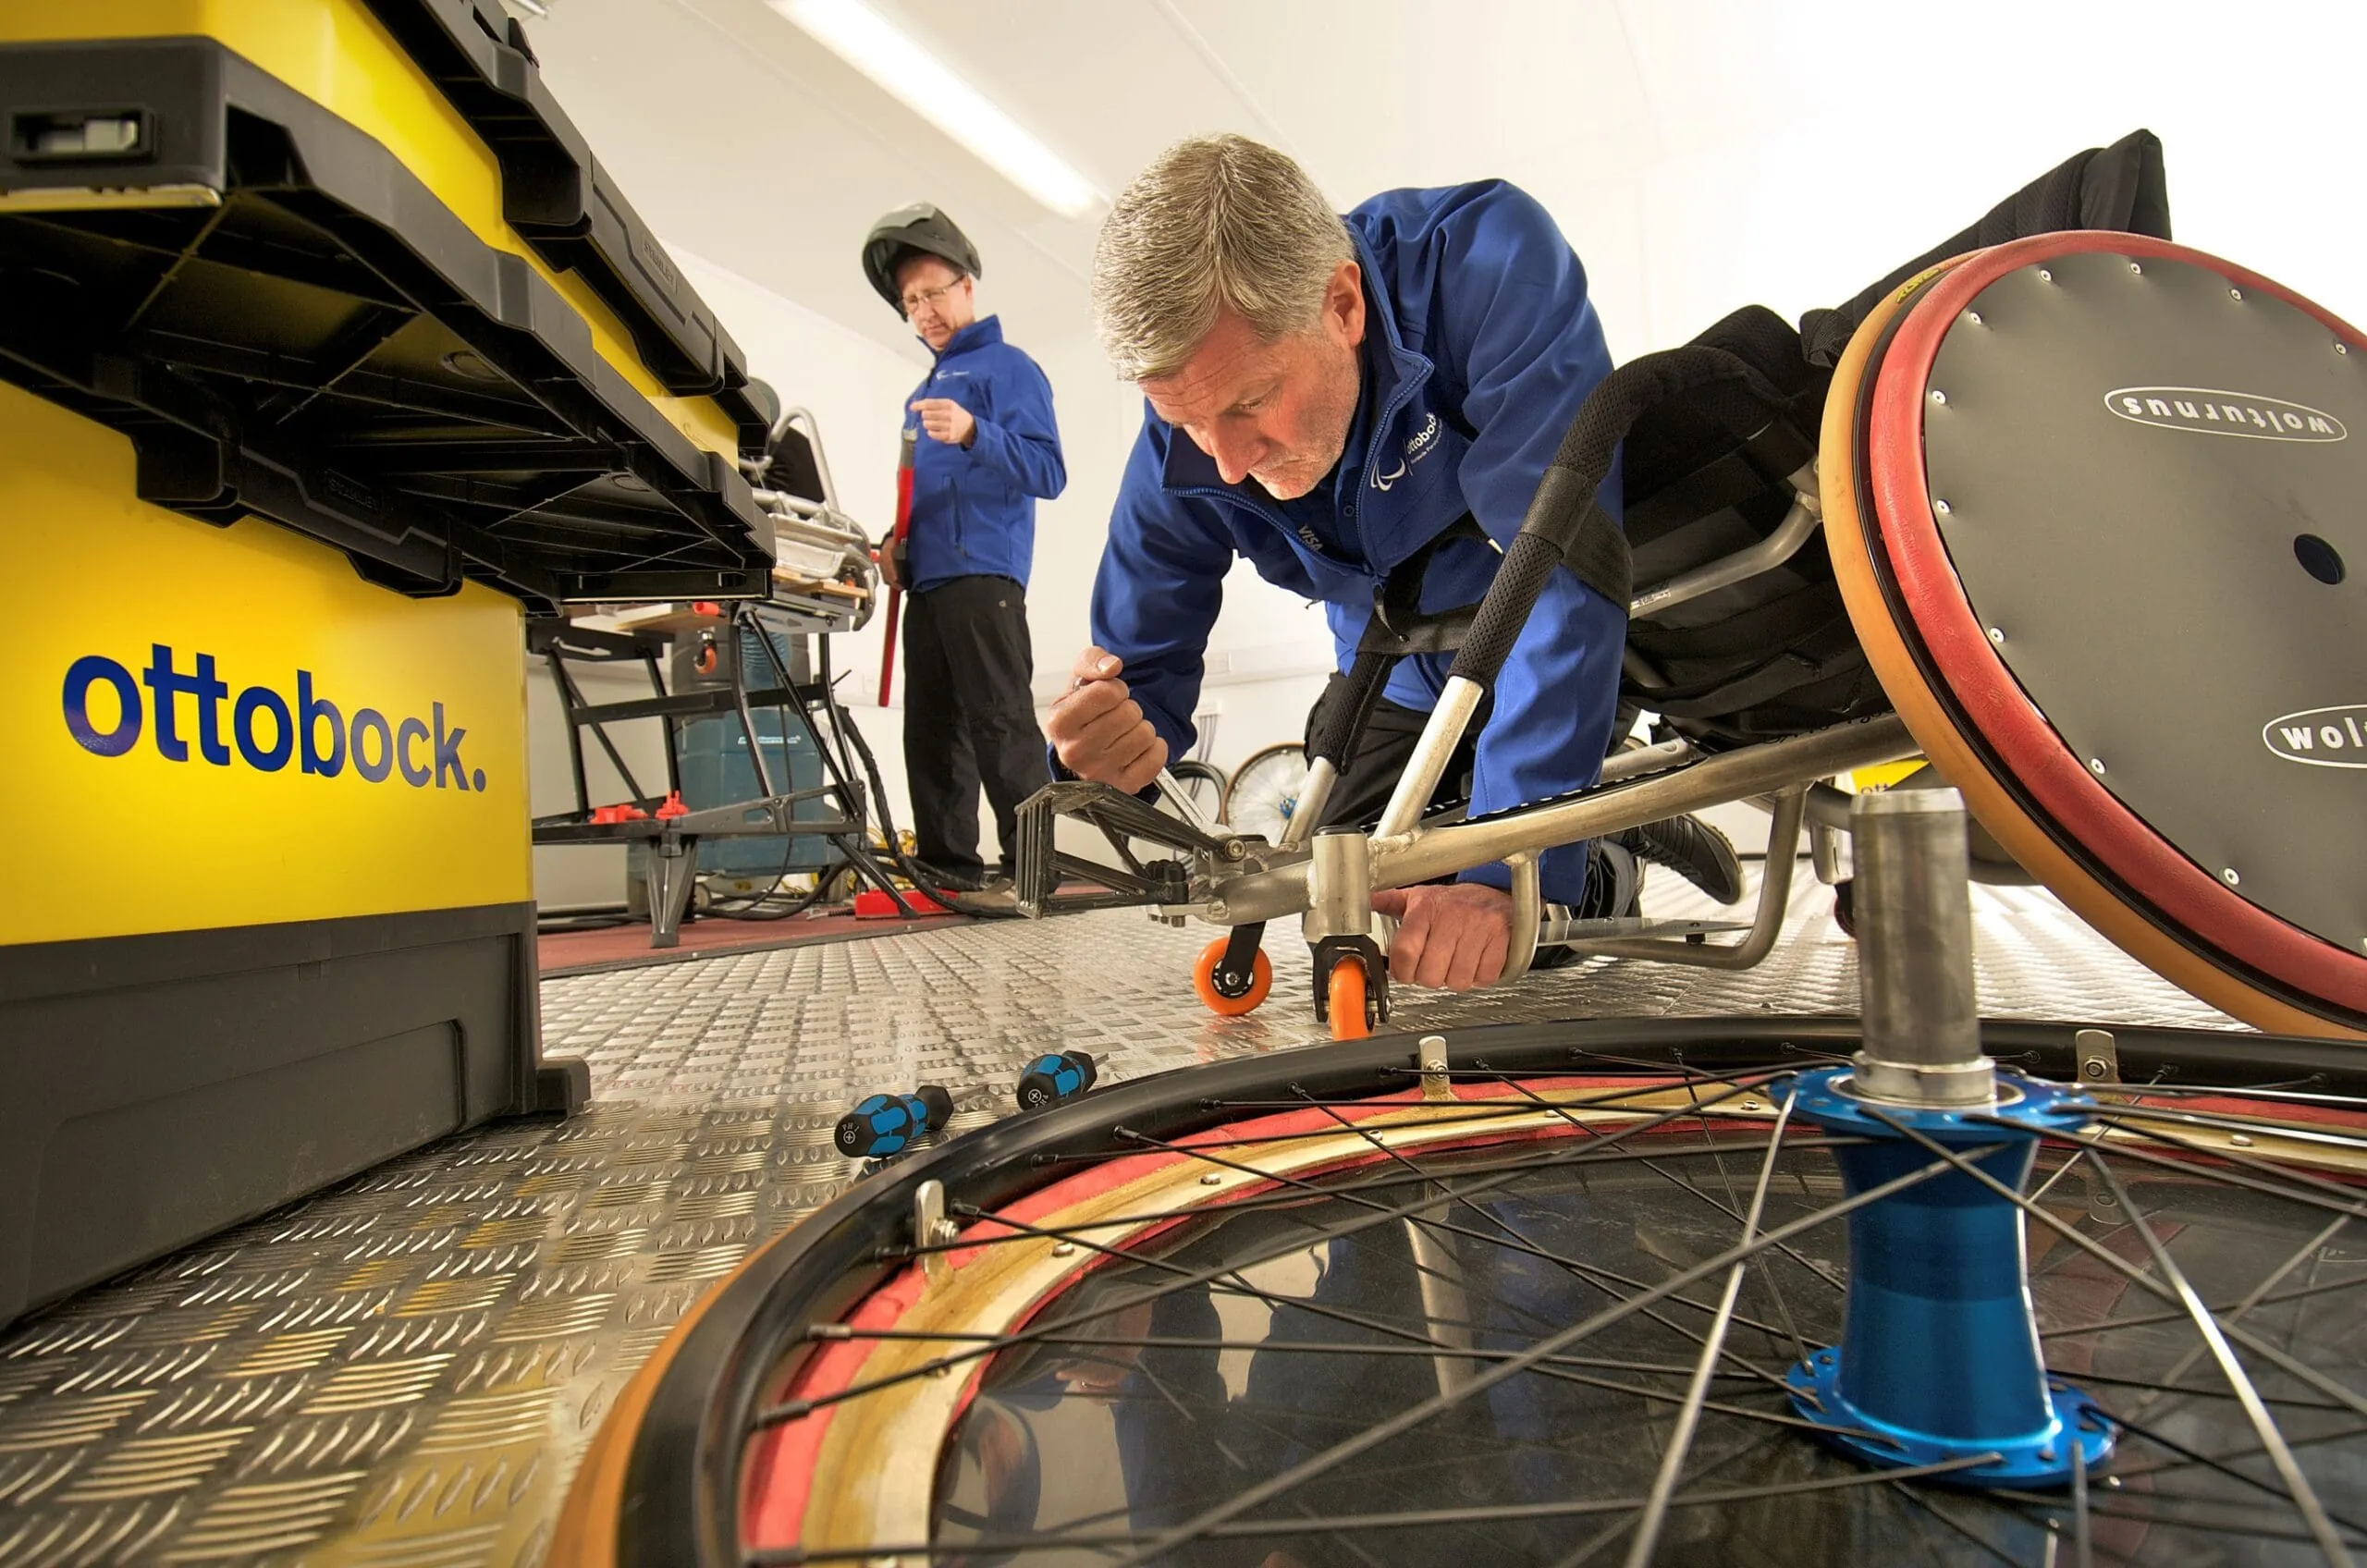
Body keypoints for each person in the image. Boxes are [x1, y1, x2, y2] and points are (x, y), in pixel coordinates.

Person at [1045, 136, 1741, 991]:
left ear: (1342, 306)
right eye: (1188, 423)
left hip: (1538, 648)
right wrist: (1107, 738)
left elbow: (1563, 570)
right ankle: (1578, 820)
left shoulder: (1486, 265)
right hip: (1393, 672)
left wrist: (1506, 870)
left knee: (1512, 923)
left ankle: (1613, 846)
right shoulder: (1192, 425)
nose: (1223, 462)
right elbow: (1137, 672)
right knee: (1349, 908)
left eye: (1252, 402)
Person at [861, 204, 1067, 891]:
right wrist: (896, 545)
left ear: (968, 286)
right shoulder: (921, 392)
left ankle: (1035, 869)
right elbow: (923, 495)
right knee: (931, 735)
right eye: (911, 301)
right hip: (927, 583)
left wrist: (977, 431)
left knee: (1002, 726)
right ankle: (947, 871)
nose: (924, 311)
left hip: (985, 578)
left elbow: (1049, 471)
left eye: (934, 292)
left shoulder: (1008, 369)